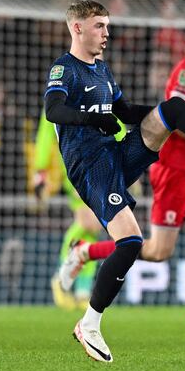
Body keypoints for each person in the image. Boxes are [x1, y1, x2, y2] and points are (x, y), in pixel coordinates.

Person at [44, 0, 185, 362]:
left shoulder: (102, 70)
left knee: (176, 107)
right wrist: (90, 120)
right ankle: (89, 324)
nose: (107, 33)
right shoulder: (64, 68)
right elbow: (52, 110)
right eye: (100, 26)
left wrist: (164, 115)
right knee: (132, 243)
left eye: (107, 26)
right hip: (90, 167)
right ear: (78, 29)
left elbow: (124, 112)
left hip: (115, 153)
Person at [35, 111, 115, 310]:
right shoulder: (60, 92)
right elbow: (45, 134)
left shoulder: (98, 87)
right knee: (89, 222)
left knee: (91, 230)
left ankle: (81, 290)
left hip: (101, 162)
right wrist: (40, 169)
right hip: (75, 163)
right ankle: (62, 278)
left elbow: (115, 122)